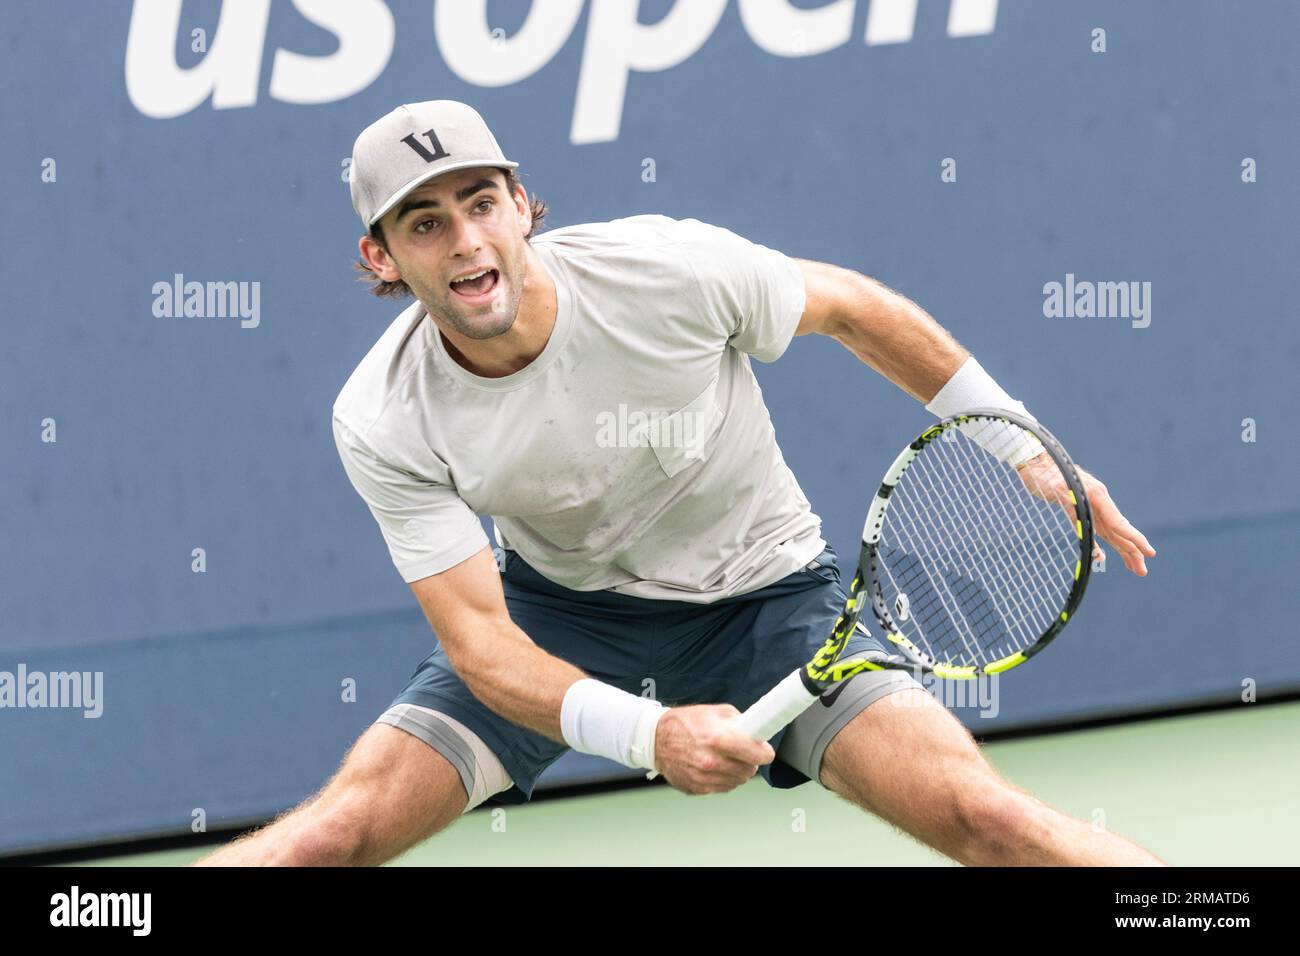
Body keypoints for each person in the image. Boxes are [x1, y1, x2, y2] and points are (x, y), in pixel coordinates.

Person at [196, 100, 1162, 866]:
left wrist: (1026, 448)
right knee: (328, 841)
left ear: (524, 204)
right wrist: (648, 733)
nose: (464, 242)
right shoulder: (383, 413)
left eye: (481, 203)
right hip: (563, 620)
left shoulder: (668, 270)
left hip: (776, 601)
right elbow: (485, 647)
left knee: (985, 819)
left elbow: (854, 310)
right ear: (383, 256)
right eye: (425, 221)